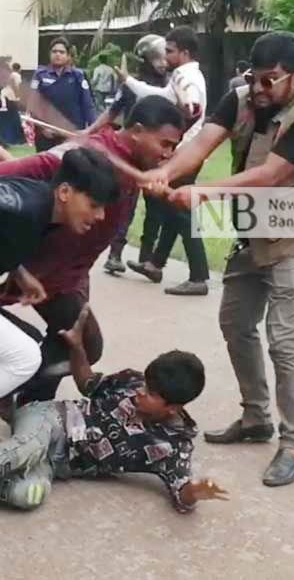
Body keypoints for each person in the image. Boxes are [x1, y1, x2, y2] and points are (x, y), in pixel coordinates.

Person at [140, 31, 294, 487]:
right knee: (235, 321)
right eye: (256, 78)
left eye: (271, 80)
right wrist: (166, 171)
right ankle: (256, 418)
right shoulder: (243, 97)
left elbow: (271, 175)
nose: (262, 89)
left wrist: (202, 193)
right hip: (254, 230)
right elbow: (202, 142)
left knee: (284, 340)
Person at [0, 97, 185, 405]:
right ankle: (20, 396)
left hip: (63, 276)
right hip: (39, 268)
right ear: (137, 131)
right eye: (163, 144)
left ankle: (28, 404)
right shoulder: (84, 156)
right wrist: (20, 266)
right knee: (49, 347)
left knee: (76, 343)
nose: (167, 155)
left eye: (172, 148)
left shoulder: (136, 165)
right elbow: (18, 171)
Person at [0, 304, 228, 512]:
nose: (141, 391)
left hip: (55, 463)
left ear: (172, 408)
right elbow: (88, 383)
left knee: (28, 494)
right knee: (27, 448)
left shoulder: (174, 446)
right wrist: (77, 347)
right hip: (50, 419)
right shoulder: (131, 381)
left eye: (150, 393)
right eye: (146, 385)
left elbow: (181, 493)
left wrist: (195, 492)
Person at [0, 149, 119, 403]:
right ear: (65, 192)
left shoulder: (39, 208)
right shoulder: (24, 213)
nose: (100, 216)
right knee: (24, 356)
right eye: (94, 205)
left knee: (28, 340)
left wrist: (19, 271)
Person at [119, 27, 211, 296]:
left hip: (184, 154)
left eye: (170, 51)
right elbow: (158, 96)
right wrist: (129, 81)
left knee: (181, 213)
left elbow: (192, 109)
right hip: (184, 152)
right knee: (173, 209)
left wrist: (179, 134)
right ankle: (156, 263)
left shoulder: (187, 77)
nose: (165, 56)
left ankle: (199, 276)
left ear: (184, 52)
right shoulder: (182, 75)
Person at [93, 34, 170, 275]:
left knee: (156, 206)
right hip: (133, 153)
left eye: (164, 55)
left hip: (159, 155)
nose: (162, 61)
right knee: (125, 202)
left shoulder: (171, 85)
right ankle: (115, 253)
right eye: (157, 56)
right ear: (146, 58)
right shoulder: (132, 84)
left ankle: (146, 258)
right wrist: (89, 131)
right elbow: (112, 111)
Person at [30, 38, 94, 152]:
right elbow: (33, 103)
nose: (57, 54)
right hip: (47, 134)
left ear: (68, 56)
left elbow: (87, 104)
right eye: (54, 51)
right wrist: (43, 128)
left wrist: (91, 130)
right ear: (50, 54)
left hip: (72, 133)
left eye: (61, 52)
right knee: (46, 167)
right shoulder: (40, 75)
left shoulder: (78, 76)